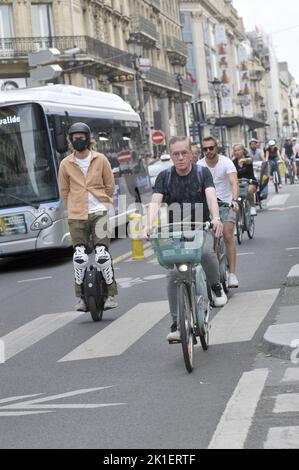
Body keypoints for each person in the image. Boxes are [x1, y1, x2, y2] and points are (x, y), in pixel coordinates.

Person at [146, 136, 227, 343]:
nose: (180, 157)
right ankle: (176, 324)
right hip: (176, 232)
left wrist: (216, 218)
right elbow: (155, 202)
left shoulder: (202, 173)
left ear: (191, 153)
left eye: (184, 153)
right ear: (170, 156)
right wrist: (148, 225)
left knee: (207, 253)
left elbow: (210, 196)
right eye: (176, 154)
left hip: (201, 227)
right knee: (173, 274)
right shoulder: (165, 177)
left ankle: (216, 287)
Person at [58, 122, 118, 312]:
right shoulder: (65, 164)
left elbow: (110, 185)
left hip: (99, 211)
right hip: (77, 214)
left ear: (88, 138)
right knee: (80, 257)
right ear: (70, 140)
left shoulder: (100, 160)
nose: (78, 140)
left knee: (102, 256)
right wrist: (75, 204)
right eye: (74, 137)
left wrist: (103, 201)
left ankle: (111, 295)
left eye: (81, 136)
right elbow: (64, 191)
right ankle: (81, 299)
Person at [198, 136, 240, 289]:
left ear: (217, 148)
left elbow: (233, 182)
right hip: (209, 206)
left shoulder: (226, 162)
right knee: (207, 242)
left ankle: (233, 275)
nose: (208, 151)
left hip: (226, 204)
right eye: (205, 149)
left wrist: (234, 200)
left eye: (211, 148)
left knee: (228, 234)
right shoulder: (199, 166)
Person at [232, 144, 258, 216]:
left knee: (249, 190)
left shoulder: (248, 158)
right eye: (235, 151)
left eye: (239, 150)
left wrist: (243, 160)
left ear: (243, 150)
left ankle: (252, 207)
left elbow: (250, 160)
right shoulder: (232, 162)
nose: (237, 152)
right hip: (238, 183)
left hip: (250, 182)